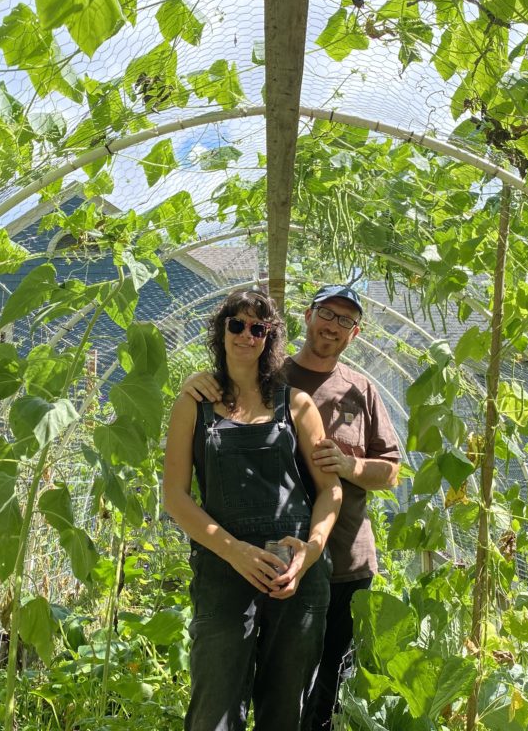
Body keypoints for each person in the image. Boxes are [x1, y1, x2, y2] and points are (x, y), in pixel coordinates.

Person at [181, 284, 401, 731]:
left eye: (346, 320)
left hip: (336, 560)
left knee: (310, 701)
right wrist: (194, 384)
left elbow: (389, 472)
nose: (248, 335)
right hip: (241, 558)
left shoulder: (358, 390)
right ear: (307, 315)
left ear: (354, 333)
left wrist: (348, 467)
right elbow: (178, 490)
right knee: (220, 697)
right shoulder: (266, 375)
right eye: (328, 314)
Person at [163, 289, 343, 731]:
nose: (247, 335)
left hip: (294, 572)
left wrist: (310, 553)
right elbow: (175, 497)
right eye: (237, 324)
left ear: (270, 338)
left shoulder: (296, 405)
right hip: (224, 569)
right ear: (221, 331)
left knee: (286, 710)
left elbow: (330, 491)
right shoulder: (193, 405)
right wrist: (235, 551)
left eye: (258, 328)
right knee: (214, 709)